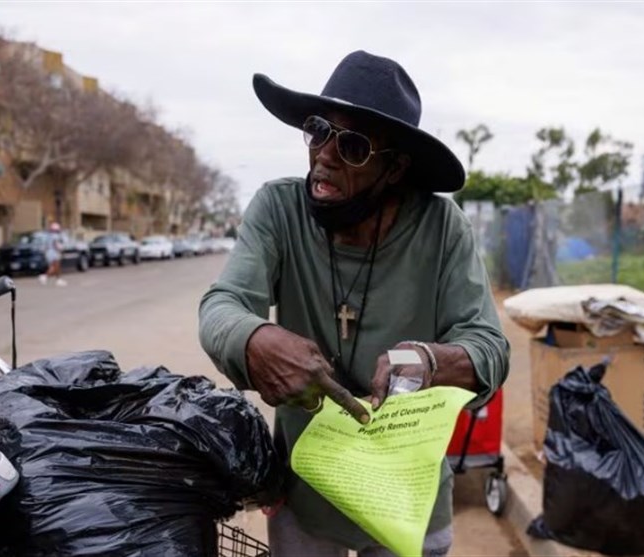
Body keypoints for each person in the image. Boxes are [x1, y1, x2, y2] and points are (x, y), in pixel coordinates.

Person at [199, 51, 510, 557]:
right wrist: (254, 338)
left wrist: (428, 362)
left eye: (353, 146)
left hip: (406, 503)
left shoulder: (441, 227)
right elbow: (223, 304)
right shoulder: (280, 210)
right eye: (318, 131)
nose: (325, 155)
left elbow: (489, 349)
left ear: (395, 167)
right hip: (306, 496)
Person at [39, 222, 66, 286]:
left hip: (49, 252)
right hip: (54, 252)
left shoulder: (48, 235)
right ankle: (46, 277)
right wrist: (59, 250)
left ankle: (56, 279)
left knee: (54, 267)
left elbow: (45, 246)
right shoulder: (55, 236)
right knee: (56, 266)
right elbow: (55, 244)